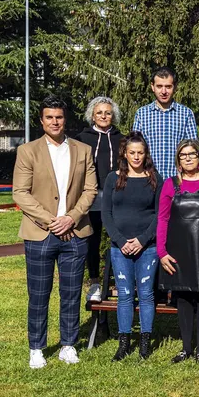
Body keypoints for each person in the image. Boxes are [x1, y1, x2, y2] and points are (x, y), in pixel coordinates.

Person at [12, 96, 97, 369]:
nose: (55, 121)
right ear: (41, 120)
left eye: (59, 117)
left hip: (75, 233)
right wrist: (51, 220)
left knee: (71, 292)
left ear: (65, 119)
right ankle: (36, 347)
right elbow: (20, 193)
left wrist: (71, 218)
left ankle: (68, 345)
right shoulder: (28, 151)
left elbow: (90, 190)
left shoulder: (83, 150)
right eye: (49, 117)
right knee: (39, 293)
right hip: (40, 232)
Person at [157, 140, 199, 364]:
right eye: (183, 155)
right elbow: (163, 218)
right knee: (184, 296)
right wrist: (161, 252)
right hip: (178, 251)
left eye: (192, 154)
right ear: (178, 160)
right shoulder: (169, 185)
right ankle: (186, 348)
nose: (188, 158)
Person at [102, 132, 162, 361]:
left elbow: (160, 215)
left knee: (146, 293)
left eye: (140, 152)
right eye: (132, 153)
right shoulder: (112, 178)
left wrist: (142, 240)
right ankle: (124, 341)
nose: (136, 157)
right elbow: (107, 213)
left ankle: (145, 341)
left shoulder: (155, 178)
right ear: (125, 154)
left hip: (147, 247)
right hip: (120, 248)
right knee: (125, 294)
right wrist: (119, 240)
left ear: (145, 154)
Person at [76, 96, 123, 303]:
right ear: (92, 116)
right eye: (99, 113)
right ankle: (95, 281)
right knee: (92, 240)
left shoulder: (121, 138)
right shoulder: (81, 138)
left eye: (108, 112)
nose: (104, 116)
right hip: (92, 197)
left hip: (117, 196)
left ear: (113, 116)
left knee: (118, 239)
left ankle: (120, 280)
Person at [132, 67, 198, 179]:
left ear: (175, 87)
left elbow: (193, 149)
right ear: (152, 87)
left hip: (178, 180)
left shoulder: (186, 114)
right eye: (159, 86)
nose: (163, 91)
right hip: (148, 178)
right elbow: (135, 147)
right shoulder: (142, 114)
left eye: (168, 87)